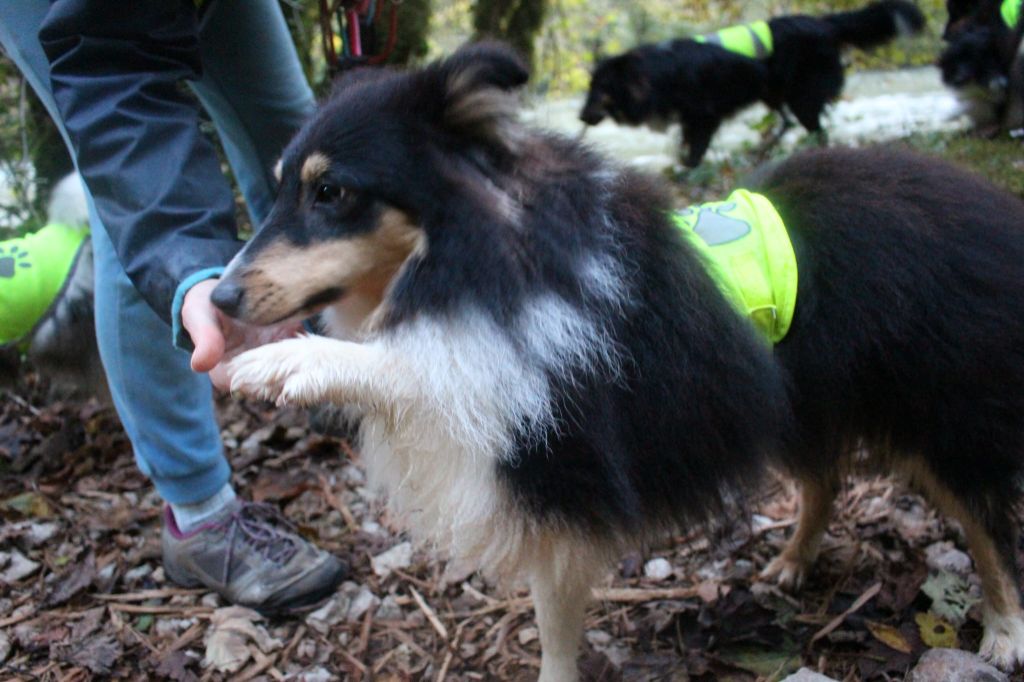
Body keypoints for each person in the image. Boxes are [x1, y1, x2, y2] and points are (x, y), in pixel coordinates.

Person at [0, 0, 347, 613]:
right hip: (78, 17)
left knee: (296, 138)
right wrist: (189, 273)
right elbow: (117, 85)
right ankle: (199, 518)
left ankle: (335, 380)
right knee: (127, 219)